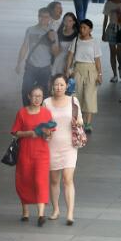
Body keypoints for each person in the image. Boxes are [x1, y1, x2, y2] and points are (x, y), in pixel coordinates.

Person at [11, 86, 54, 226]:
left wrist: (47, 134)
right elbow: (15, 132)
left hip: (41, 153)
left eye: (40, 96)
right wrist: (29, 133)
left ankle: (41, 214)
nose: (37, 99)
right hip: (25, 152)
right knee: (25, 180)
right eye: (34, 96)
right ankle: (25, 210)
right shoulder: (22, 113)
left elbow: (51, 132)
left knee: (40, 181)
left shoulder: (46, 113)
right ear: (29, 96)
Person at [43, 75, 83, 225]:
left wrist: (77, 122)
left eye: (61, 84)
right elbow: (42, 123)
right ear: (52, 86)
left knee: (68, 179)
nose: (59, 87)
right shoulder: (46, 103)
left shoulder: (73, 101)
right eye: (56, 85)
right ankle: (56, 209)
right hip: (51, 145)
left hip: (69, 146)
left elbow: (81, 121)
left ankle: (70, 213)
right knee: (54, 180)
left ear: (67, 86)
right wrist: (45, 129)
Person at [15, 7, 59, 105]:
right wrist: (19, 63)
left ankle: (41, 113)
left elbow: (56, 53)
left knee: (44, 93)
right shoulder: (30, 30)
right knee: (26, 90)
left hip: (45, 68)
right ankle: (27, 111)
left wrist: (52, 40)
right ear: (38, 17)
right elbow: (24, 47)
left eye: (46, 17)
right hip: (31, 66)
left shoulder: (53, 33)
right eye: (41, 16)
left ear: (50, 19)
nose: (43, 19)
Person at [65, 19, 103, 134]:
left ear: (90, 29)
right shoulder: (76, 40)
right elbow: (70, 56)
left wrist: (99, 74)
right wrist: (68, 69)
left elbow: (97, 60)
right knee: (77, 96)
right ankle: (76, 121)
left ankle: (88, 123)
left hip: (91, 70)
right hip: (78, 69)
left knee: (89, 96)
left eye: (85, 28)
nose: (82, 30)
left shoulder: (94, 42)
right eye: (81, 27)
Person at [102, 0, 121, 83]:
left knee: (119, 52)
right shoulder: (108, 3)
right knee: (113, 53)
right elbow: (105, 19)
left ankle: (120, 66)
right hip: (111, 29)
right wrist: (103, 32)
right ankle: (115, 74)